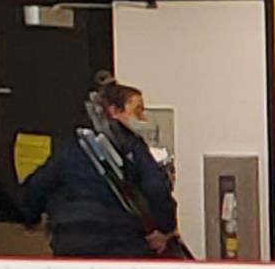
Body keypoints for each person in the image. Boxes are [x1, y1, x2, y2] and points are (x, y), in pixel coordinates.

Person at [15, 73, 186, 258]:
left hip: (71, 242)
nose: (143, 118)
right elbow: (156, 188)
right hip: (122, 242)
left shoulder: (71, 147)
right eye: (137, 111)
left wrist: (29, 217)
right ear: (113, 110)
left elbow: (37, 187)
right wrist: (164, 229)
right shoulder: (132, 146)